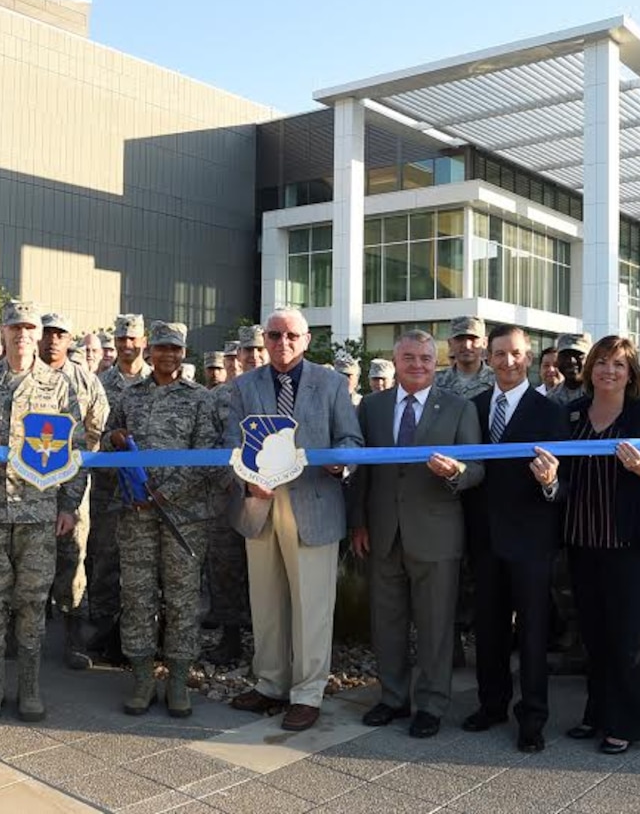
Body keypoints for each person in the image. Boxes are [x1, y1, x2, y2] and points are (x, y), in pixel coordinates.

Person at [0, 300, 90, 723]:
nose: (23, 335)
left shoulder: (58, 386)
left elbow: (76, 449)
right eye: (15, 327)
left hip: (38, 510)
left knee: (31, 601)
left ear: (39, 334)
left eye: (30, 328)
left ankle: (29, 687)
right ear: (3, 332)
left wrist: (68, 505)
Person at [531, 334, 640, 755]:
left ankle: (627, 722)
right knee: (593, 635)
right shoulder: (572, 413)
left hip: (631, 545)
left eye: (618, 365)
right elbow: (561, 477)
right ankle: (597, 712)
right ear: (590, 369)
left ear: (631, 374)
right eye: (601, 363)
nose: (608, 371)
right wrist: (549, 482)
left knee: (629, 639)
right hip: (583, 540)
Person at [224, 307, 362, 732]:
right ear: (264, 340)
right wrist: (247, 482)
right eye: (274, 335)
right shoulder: (245, 385)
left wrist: (341, 465)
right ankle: (270, 683)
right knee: (266, 602)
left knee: (312, 606)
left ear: (306, 341)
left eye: (291, 336)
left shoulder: (331, 383)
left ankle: (307, 693)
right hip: (260, 504)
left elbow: (351, 439)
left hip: (314, 503)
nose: (282, 343)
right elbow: (230, 442)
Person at [350, 329, 481, 739]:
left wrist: (456, 472)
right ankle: (392, 698)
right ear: (396, 359)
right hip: (383, 532)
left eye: (425, 358)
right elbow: (361, 471)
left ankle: (431, 703)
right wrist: (358, 522)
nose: (418, 365)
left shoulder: (459, 408)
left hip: (436, 534)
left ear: (436, 361)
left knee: (435, 625)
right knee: (386, 622)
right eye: (409, 358)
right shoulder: (372, 406)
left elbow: (477, 468)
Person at [105, 321, 223, 717]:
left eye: (175, 349)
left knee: (182, 597)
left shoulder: (201, 399)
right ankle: (141, 677)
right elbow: (110, 439)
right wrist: (115, 440)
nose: (167, 355)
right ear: (148, 351)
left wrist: (163, 492)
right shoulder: (129, 395)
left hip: (183, 516)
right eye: (161, 348)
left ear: (184, 353)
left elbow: (205, 456)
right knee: (136, 594)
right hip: (135, 514)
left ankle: (176, 680)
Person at [461, 324, 570, 752]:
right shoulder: (473, 407)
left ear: (530, 359)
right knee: (487, 628)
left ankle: (533, 717)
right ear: (488, 358)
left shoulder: (549, 413)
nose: (508, 361)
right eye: (500, 354)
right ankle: (491, 705)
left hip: (531, 539)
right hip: (484, 536)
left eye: (517, 354)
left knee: (532, 632)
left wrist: (550, 483)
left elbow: (566, 482)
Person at [41, 312, 109, 671]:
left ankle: (71, 635)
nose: (53, 340)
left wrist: (74, 466)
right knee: (23, 560)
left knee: (72, 559)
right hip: (28, 485)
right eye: (47, 333)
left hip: (73, 482)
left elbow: (97, 429)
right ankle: (14, 636)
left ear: (70, 341)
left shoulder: (85, 381)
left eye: (60, 334)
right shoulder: (25, 374)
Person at [88, 314, 152, 664]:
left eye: (133, 339)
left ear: (143, 340)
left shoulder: (155, 379)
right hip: (108, 486)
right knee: (105, 557)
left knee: (142, 561)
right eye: (121, 339)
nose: (127, 345)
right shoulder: (101, 382)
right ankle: (102, 626)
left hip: (146, 488)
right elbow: (93, 432)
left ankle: (138, 632)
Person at [202, 324, 264, 666]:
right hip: (229, 496)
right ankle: (230, 638)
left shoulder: (281, 393)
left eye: (258, 349)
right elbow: (207, 444)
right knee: (225, 567)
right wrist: (232, 480)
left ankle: (269, 642)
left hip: (274, 497)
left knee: (269, 571)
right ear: (237, 356)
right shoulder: (219, 397)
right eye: (247, 350)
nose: (253, 355)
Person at [436, 316, 495, 399]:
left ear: (484, 343)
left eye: (473, 339)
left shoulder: (497, 381)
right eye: (460, 339)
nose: (467, 345)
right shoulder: (435, 381)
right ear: (450, 343)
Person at [547, 333, 591, 406]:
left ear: (590, 359)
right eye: (565, 355)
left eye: (578, 355)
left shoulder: (599, 393)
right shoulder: (551, 398)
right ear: (557, 360)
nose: (571, 361)